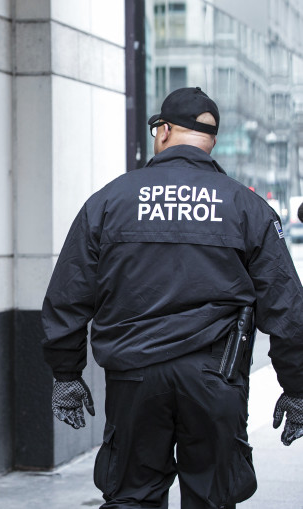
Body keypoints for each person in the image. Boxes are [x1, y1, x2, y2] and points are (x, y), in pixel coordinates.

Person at [41, 87, 303, 508]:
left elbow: (67, 296)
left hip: (134, 376)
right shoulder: (245, 206)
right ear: (211, 140)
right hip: (216, 375)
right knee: (212, 498)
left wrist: (66, 375)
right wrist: (297, 387)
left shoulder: (110, 201)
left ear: (163, 131)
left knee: (131, 495)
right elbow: (286, 307)